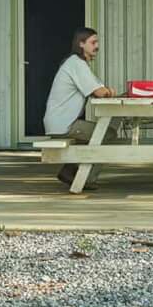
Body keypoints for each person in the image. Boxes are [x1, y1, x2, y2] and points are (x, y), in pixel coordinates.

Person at [44, 26, 116, 189]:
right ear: (81, 44)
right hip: (64, 125)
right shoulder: (77, 64)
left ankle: (70, 170)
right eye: (93, 42)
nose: (97, 46)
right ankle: (85, 178)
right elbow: (100, 92)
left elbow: (96, 89)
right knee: (106, 134)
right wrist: (109, 91)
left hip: (62, 123)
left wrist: (105, 91)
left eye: (97, 42)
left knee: (100, 134)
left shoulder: (77, 64)